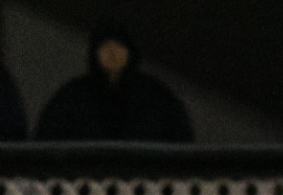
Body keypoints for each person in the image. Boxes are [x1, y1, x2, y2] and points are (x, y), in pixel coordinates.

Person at [34, 23, 193, 142]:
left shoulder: (155, 96)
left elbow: (180, 137)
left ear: (130, 51)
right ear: (94, 53)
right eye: (105, 47)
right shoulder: (73, 97)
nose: (112, 53)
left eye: (119, 46)